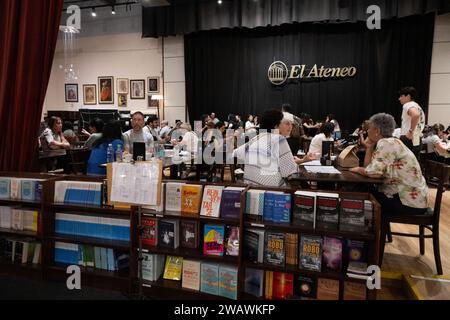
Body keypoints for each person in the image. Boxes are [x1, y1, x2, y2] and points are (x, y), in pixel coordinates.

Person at [350, 113, 428, 217]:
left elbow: (374, 173)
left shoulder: (386, 143)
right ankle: (373, 230)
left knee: (358, 191)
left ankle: (358, 228)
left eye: (370, 128)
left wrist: (355, 169)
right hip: (416, 201)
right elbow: (369, 168)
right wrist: (369, 147)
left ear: (377, 131)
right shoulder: (393, 142)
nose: (367, 131)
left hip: (407, 203)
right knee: (362, 188)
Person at [233, 109, 299, 187]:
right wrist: (296, 165)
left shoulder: (255, 139)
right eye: (286, 123)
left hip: (250, 189)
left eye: (291, 124)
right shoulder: (279, 139)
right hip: (272, 192)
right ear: (276, 125)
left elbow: (234, 153)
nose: (290, 127)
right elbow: (289, 172)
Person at [398, 86, 426, 159]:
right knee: (413, 165)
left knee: (404, 164)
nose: (399, 98)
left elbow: (415, 115)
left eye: (401, 96)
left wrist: (410, 131)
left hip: (409, 139)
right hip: (417, 139)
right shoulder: (418, 106)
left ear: (408, 96)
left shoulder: (408, 104)